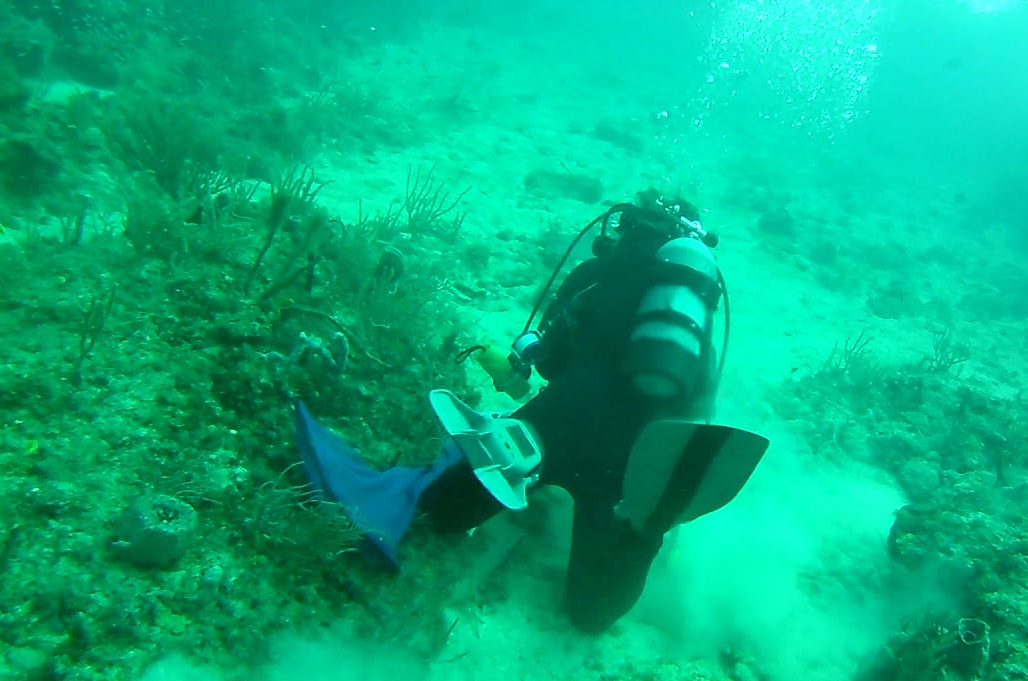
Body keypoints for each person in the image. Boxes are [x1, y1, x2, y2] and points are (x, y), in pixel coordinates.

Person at [293, 190, 767, 633]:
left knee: (438, 514)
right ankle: (646, 532)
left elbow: (551, 361)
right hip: (630, 468)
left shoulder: (598, 275)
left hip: (550, 433)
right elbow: (696, 407)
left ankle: (499, 470)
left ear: (630, 227)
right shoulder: (694, 316)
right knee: (591, 613)